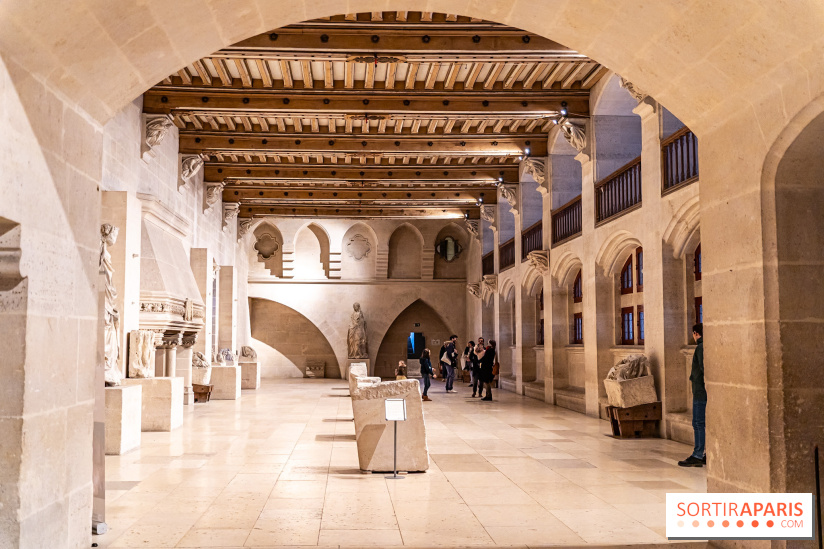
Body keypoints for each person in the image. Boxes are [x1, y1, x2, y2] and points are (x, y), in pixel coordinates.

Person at [679, 323, 706, 467]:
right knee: (702, 423)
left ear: (695, 333)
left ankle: (698, 454)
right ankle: (703, 453)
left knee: (698, 423)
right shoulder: (703, 347)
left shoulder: (701, 348)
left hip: (700, 391)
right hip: (701, 390)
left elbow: (703, 369)